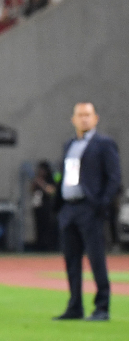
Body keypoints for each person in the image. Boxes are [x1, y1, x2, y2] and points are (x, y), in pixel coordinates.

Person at [53, 102, 121, 322]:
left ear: (95, 118)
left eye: (87, 115)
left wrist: (101, 205)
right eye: (80, 115)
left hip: (89, 208)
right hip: (69, 208)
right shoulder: (70, 145)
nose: (84, 119)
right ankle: (75, 306)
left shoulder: (104, 144)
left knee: (96, 259)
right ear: (73, 119)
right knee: (71, 260)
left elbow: (114, 178)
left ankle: (102, 306)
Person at [31, 161, 57, 251]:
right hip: (38, 206)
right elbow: (32, 191)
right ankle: (39, 245)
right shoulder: (37, 179)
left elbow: (52, 191)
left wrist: (41, 183)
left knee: (48, 227)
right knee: (38, 227)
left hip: (47, 207)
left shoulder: (50, 179)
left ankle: (49, 246)